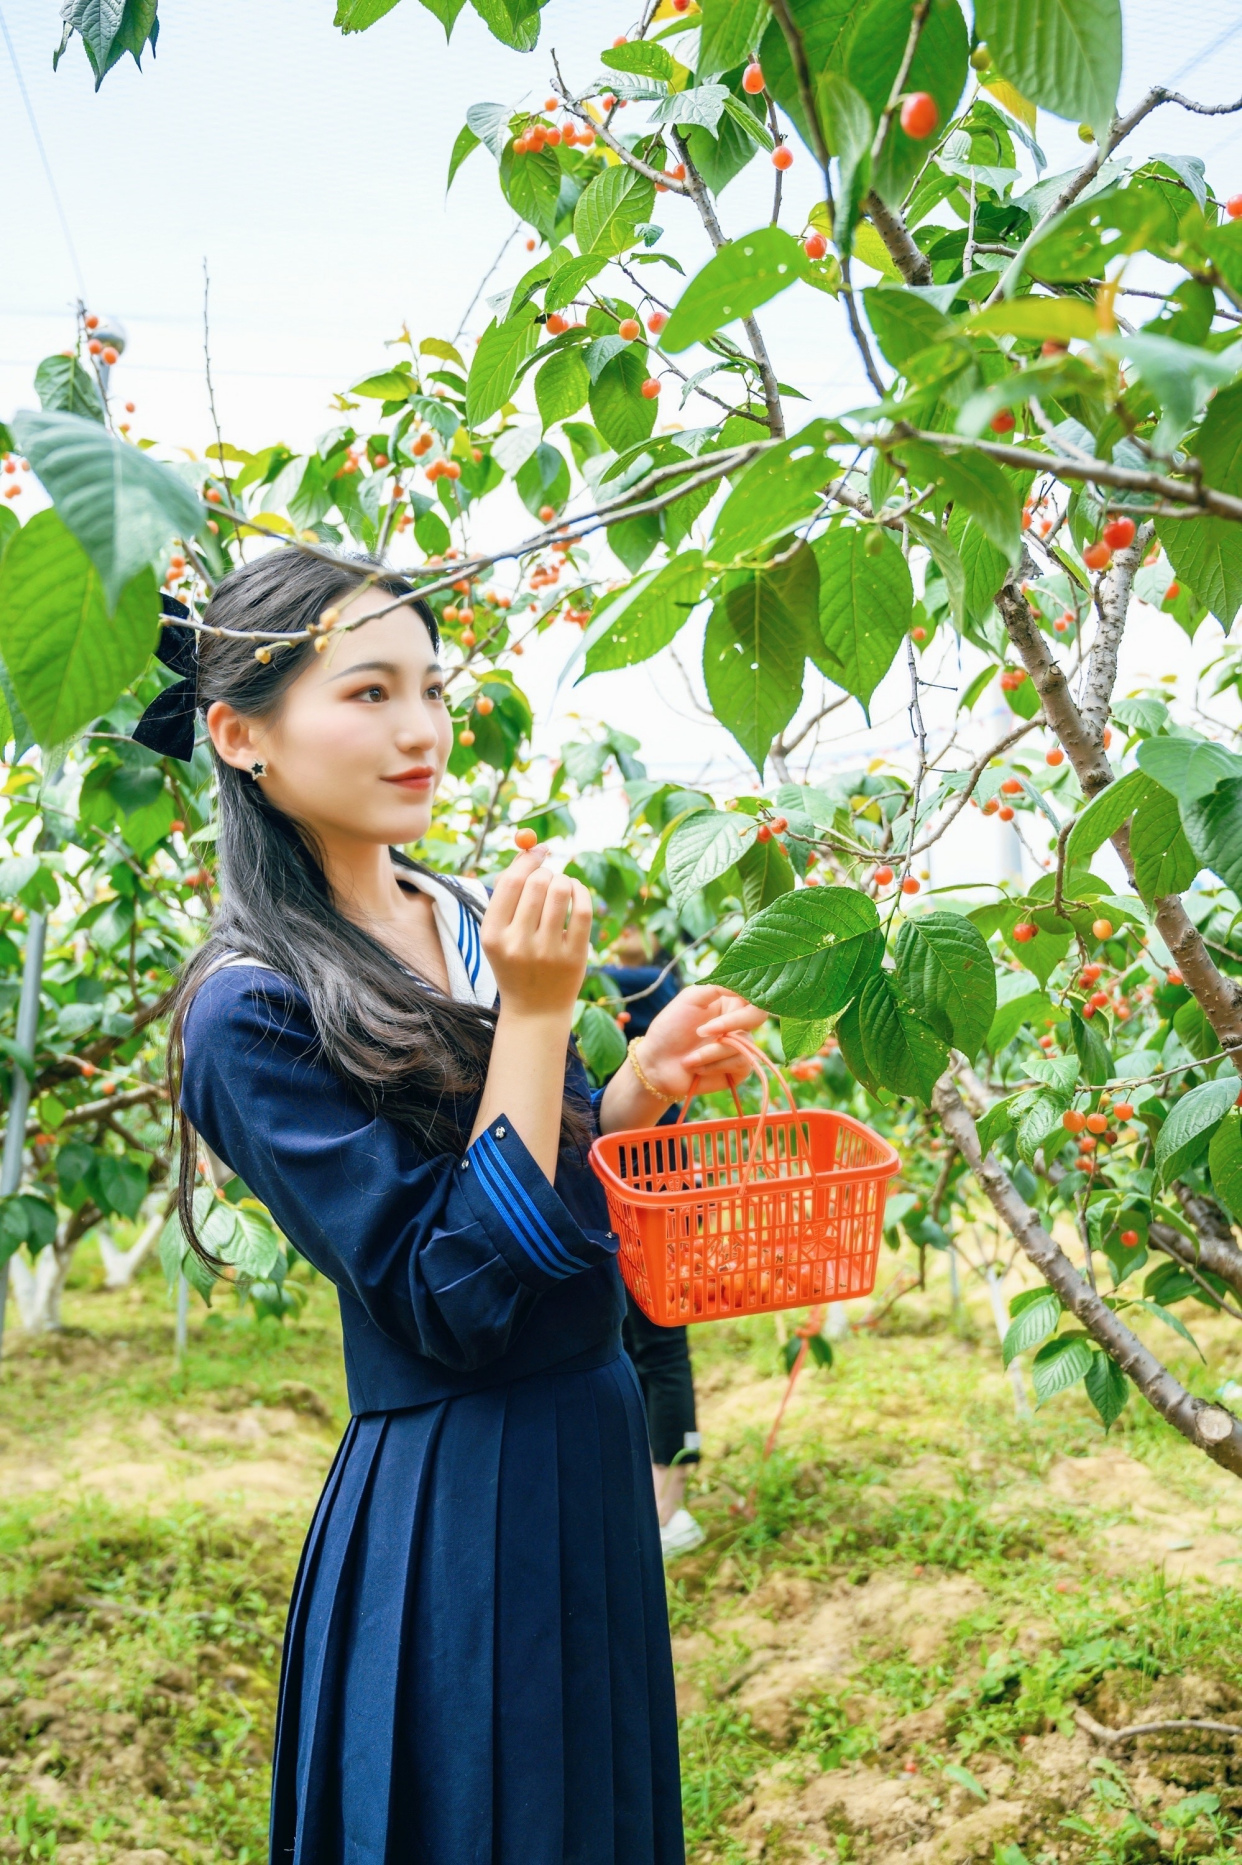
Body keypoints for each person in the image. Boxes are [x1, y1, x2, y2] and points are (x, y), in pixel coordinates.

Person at [150, 550, 765, 1865]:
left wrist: (641, 1086)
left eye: (428, 686)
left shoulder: (464, 912)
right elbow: (452, 1292)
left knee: (583, 1809)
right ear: (240, 733)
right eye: (367, 692)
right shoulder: (247, 1007)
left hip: (588, 1433)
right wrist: (538, 1014)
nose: (420, 728)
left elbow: (550, 1163)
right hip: (462, 1480)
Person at [599, 928, 705, 1559]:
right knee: (658, 1346)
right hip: (661, 1186)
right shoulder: (660, 992)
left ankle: (662, 1507)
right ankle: (664, 1502)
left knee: (641, 1345)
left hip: (622, 1189)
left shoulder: (606, 994)